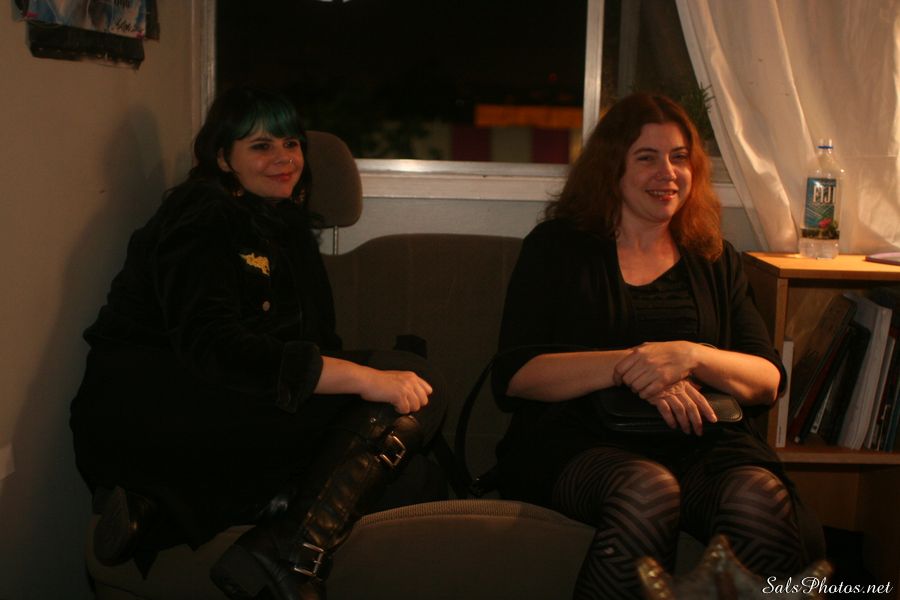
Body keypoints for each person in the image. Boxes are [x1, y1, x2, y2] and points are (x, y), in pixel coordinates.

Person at [70, 86, 447, 600]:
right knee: (409, 390)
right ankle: (288, 552)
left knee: (415, 471)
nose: (285, 158)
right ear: (223, 158)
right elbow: (214, 348)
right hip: (159, 410)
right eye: (262, 146)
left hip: (232, 401)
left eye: (291, 144)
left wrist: (361, 384)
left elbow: (318, 343)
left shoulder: (284, 225)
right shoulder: (202, 214)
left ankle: (197, 516)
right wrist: (365, 380)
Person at [491, 93, 824, 599]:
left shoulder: (714, 257)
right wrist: (632, 365)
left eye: (679, 157)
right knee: (648, 489)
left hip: (702, 444)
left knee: (759, 498)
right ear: (612, 168)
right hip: (583, 441)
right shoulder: (557, 248)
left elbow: (767, 379)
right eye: (646, 157)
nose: (667, 173)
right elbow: (516, 375)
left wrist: (689, 356)